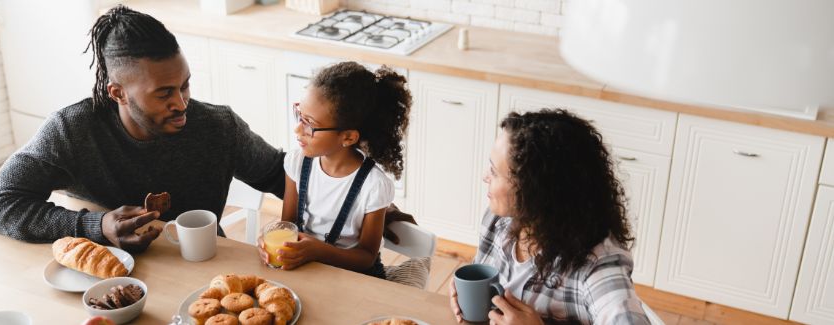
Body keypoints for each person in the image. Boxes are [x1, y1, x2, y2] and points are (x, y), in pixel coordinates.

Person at [0, 5, 287, 253]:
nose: (181, 103)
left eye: (185, 85)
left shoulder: (218, 127)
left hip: (201, 268)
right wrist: (96, 226)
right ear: (118, 93)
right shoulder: (72, 131)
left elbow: (282, 175)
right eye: (164, 93)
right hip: (107, 281)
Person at [449, 109, 651, 324]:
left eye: (495, 172)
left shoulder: (596, 265)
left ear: (533, 190)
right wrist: (469, 296)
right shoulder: (499, 220)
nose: (485, 177)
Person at [256, 62, 411, 278]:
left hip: (353, 278)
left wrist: (320, 252)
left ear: (348, 137)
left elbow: (366, 256)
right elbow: (288, 224)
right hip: (308, 271)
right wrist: (273, 242)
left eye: (309, 123)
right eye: (299, 115)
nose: (298, 128)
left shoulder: (374, 186)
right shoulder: (297, 162)